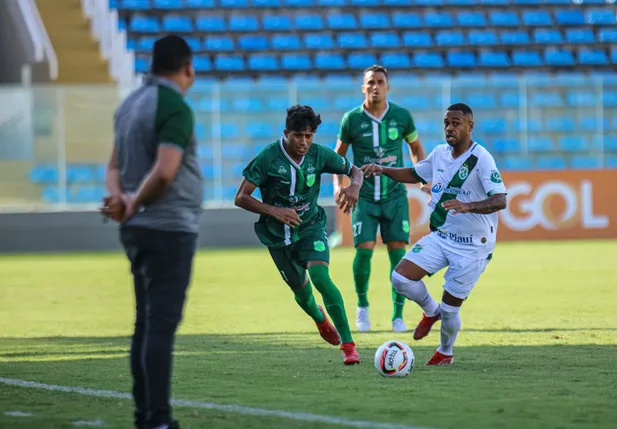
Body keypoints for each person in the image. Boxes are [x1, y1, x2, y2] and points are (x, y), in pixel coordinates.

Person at [101, 35, 201, 429]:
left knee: (145, 324)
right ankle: (158, 419)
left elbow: (112, 167)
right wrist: (134, 202)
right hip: (168, 228)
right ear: (187, 67)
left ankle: (145, 415)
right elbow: (164, 172)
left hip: (138, 231)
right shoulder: (173, 104)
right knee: (160, 326)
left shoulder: (129, 104)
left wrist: (121, 199)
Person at [361, 103, 507, 366]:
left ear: (469, 126)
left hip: (473, 247)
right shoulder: (440, 154)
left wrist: (469, 206)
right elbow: (414, 173)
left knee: (451, 309)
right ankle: (431, 312)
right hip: (442, 237)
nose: (450, 128)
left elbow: (500, 200)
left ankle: (445, 352)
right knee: (400, 278)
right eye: (446, 123)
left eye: (456, 123)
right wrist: (383, 170)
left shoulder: (481, 158)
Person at [234, 105, 364, 365]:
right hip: (277, 236)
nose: (304, 142)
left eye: (309, 136)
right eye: (298, 136)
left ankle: (349, 345)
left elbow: (355, 171)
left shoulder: (319, 154)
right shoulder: (268, 158)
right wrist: (273, 210)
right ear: (286, 133)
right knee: (303, 294)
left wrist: (354, 187)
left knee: (320, 277)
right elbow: (241, 197)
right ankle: (319, 318)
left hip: (311, 227)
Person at [334, 65, 429, 333]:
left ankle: (398, 315)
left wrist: (423, 177)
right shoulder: (351, 119)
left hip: (394, 196)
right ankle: (362, 308)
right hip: (363, 196)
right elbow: (338, 155)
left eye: (379, 82)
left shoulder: (401, 116)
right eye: (370, 82)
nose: (375, 86)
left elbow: (416, 147)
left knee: (398, 254)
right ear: (363, 87)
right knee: (363, 250)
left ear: (388, 86)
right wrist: (338, 185)